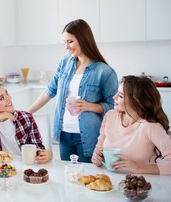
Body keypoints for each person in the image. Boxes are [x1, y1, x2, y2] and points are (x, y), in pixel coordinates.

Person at [28, 19, 118, 163]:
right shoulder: (65, 62)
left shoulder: (104, 72)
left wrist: (89, 106)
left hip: (88, 136)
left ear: (83, 40)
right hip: (64, 134)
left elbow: (113, 107)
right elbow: (49, 91)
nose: (66, 47)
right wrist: (27, 113)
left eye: (70, 41)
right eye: (64, 42)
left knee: (87, 180)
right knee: (67, 178)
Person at [92, 75, 171, 175]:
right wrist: (97, 158)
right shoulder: (110, 116)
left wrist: (138, 168)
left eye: (120, 96)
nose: (114, 97)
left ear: (136, 101)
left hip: (137, 186)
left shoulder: (150, 126)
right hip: (108, 182)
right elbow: (99, 149)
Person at [0, 81, 53, 163]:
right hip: (3, 171)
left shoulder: (26, 117)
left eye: (6, 93)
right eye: (2, 98)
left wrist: (48, 154)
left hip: (25, 168)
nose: (9, 98)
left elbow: (38, 148)